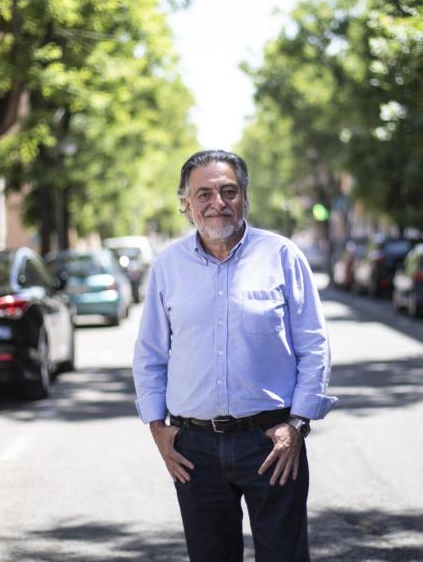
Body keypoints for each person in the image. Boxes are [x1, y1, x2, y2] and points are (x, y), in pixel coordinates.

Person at [132, 149, 337, 562]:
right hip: (193, 449)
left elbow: (314, 345)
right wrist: (157, 428)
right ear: (186, 204)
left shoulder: (282, 256)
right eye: (204, 194)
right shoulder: (168, 266)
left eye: (229, 191)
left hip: (272, 442)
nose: (218, 203)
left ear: (245, 197)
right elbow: (151, 353)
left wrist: (297, 424)